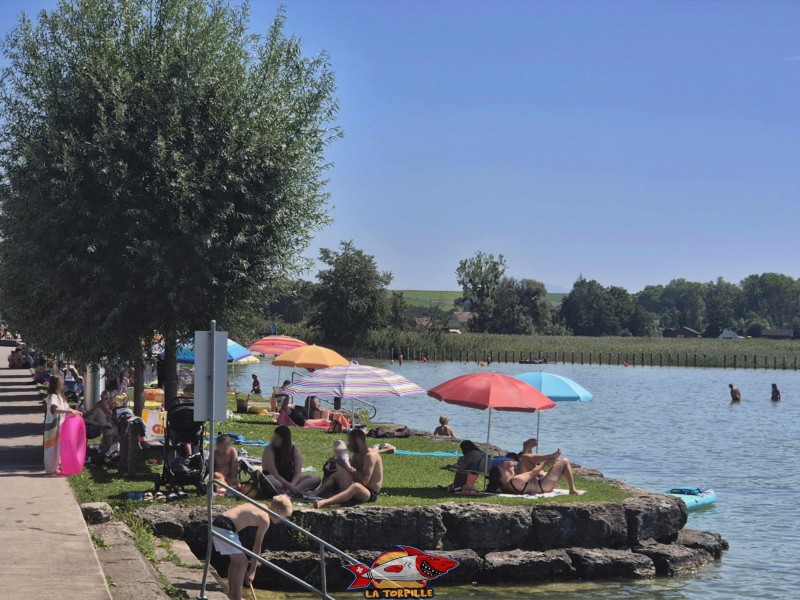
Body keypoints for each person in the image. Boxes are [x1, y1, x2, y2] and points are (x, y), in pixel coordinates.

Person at [212, 496, 293, 600]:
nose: (284, 520)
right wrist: (252, 571)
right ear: (277, 511)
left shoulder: (260, 506)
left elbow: (237, 513)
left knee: (236, 562)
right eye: (284, 517)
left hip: (220, 523)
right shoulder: (265, 520)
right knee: (243, 563)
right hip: (225, 527)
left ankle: (232, 593)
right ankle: (236, 597)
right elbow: (257, 545)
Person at [314, 429, 383, 508]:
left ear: (357, 440)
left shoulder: (370, 456)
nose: (349, 445)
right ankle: (316, 493)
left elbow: (364, 481)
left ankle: (324, 503)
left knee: (356, 486)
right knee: (336, 475)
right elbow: (351, 471)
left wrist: (346, 467)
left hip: (368, 492)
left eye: (350, 442)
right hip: (356, 484)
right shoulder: (357, 455)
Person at [261, 425, 320, 496]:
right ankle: (293, 492)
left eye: (277, 438)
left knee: (315, 479)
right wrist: (290, 486)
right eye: (274, 437)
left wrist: (292, 486)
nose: (274, 440)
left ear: (284, 440)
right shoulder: (269, 449)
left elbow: (297, 473)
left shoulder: (294, 450)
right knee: (270, 480)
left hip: (290, 481)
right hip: (276, 480)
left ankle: (290, 492)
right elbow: (274, 474)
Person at [43, 375, 82, 475]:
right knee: (52, 448)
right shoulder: (53, 396)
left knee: (60, 447)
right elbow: (55, 409)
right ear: (55, 385)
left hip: (61, 426)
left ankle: (59, 466)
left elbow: (67, 408)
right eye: (61, 383)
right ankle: (51, 468)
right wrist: (69, 410)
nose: (62, 385)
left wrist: (75, 412)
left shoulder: (61, 396)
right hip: (53, 426)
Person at [488, 456, 582, 496]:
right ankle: (572, 489)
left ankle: (550, 456)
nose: (507, 469)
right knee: (564, 461)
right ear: (501, 478)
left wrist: (508, 466)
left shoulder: (504, 486)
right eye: (505, 470)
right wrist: (546, 463)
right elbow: (532, 473)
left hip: (539, 483)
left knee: (525, 458)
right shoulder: (516, 480)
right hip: (544, 486)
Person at [84, 390, 120, 456]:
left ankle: (107, 449)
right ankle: (107, 450)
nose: (104, 400)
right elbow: (109, 415)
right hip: (96, 424)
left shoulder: (109, 404)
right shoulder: (100, 405)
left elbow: (111, 416)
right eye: (103, 398)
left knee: (112, 429)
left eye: (106, 398)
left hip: (102, 423)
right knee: (109, 429)